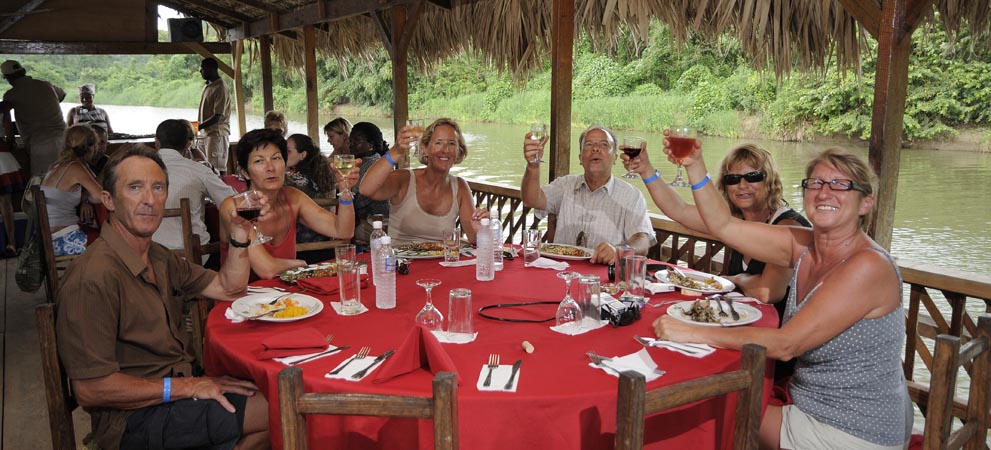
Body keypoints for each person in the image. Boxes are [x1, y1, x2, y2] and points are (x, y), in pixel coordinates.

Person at [652, 145, 911, 450]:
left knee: (704, 413)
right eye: (815, 183)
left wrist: (691, 332)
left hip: (853, 428)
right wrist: (695, 165)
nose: (824, 193)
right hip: (812, 403)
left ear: (866, 202)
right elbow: (723, 225)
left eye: (840, 184)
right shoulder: (804, 246)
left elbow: (786, 345)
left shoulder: (868, 265)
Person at [55, 146, 270, 450]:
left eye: (158, 188)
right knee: (284, 409)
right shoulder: (92, 277)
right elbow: (91, 390)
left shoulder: (157, 256)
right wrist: (189, 386)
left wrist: (240, 231)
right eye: (134, 187)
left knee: (274, 401)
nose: (149, 199)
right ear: (108, 200)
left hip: (177, 392)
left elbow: (228, 287)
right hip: (133, 419)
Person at [219, 128, 355, 279]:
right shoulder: (234, 207)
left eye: (276, 158)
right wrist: (301, 264)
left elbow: (343, 230)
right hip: (241, 298)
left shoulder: (293, 197)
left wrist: (345, 190)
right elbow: (267, 270)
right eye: (259, 161)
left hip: (288, 296)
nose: (270, 168)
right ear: (245, 172)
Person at [521, 124, 655, 265]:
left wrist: (619, 250)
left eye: (604, 145)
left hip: (604, 277)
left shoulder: (631, 195)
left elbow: (643, 239)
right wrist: (533, 166)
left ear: (615, 158)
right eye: (589, 144)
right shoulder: (565, 185)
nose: (595, 149)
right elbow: (531, 200)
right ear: (580, 158)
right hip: (561, 271)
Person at [359, 118, 486, 246]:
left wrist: (480, 230)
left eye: (452, 143)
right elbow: (366, 189)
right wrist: (396, 151)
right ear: (425, 148)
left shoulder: (460, 187)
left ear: (459, 151)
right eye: (438, 142)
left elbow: (474, 239)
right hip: (401, 263)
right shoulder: (404, 179)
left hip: (441, 263)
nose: (445, 150)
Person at [151, 119, 235, 259]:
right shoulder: (199, 170)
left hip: (149, 254)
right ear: (188, 145)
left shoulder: (138, 170)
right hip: (194, 257)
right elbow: (232, 201)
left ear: (157, 142)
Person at [41, 125, 104, 256]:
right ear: (90, 147)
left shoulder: (57, 165)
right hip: (61, 239)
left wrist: (86, 198)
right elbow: (99, 197)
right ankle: (88, 276)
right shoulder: (75, 167)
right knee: (112, 246)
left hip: (46, 238)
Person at [1, 59, 67, 176]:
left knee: (41, 183)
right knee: (66, 179)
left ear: (7, 78)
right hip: (65, 139)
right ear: (24, 71)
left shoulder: (11, 95)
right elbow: (61, 96)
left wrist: (10, 143)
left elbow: (5, 117)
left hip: (41, 144)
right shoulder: (46, 84)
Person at [284, 133, 336, 263]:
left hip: (301, 246)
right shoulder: (324, 173)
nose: (283, 155)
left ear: (303, 155)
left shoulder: (293, 180)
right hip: (328, 241)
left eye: (288, 151)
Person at [347, 122, 390, 244]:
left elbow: (355, 199)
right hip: (373, 220)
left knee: (339, 230)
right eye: (350, 140)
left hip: (374, 224)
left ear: (370, 145)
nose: (351, 144)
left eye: (357, 140)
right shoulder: (376, 160)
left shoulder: (371, 164)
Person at [197, 58, 231, 174]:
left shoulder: (220, 87)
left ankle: (223, 191)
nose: (200, 71)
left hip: (217, 134)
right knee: (207, 168)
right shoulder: (208, 86)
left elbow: (218, 116)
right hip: (206, 133)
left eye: (203, 68)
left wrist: (198, 127)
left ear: (211, 69)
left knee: (218, 169)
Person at [0, 101, 25, 257]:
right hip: (1, 157)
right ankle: (12, 243)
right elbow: (10, 137)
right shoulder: (3, 108)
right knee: (6, 204)